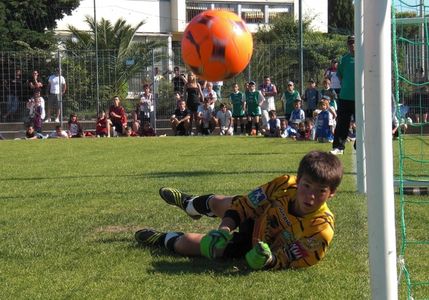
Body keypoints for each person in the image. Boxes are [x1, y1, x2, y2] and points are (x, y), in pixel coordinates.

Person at [135, 151, 344, 271]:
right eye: (307, 186)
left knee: (189, 245)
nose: (311, 196)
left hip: (258, 248)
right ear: (298, 181)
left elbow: (296, 259)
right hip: (258, 216)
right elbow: (247, 204)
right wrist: (224, 230)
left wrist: (268, 261)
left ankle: (162, 239)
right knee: (225, 203)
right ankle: (191, 205)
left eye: (321, 191)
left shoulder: (321, 228)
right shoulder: (284, 183)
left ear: (332, 194)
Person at [331, 35, 355, 155]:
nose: (352, 45)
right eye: (350, 43)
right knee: (341, 123)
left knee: (363, 123)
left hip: (360, 98)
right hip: (345, 97)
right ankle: (339, 147)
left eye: (354, 43)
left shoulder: (365, 57)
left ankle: (360, 144)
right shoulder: (343, 59)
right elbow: (339, 75)